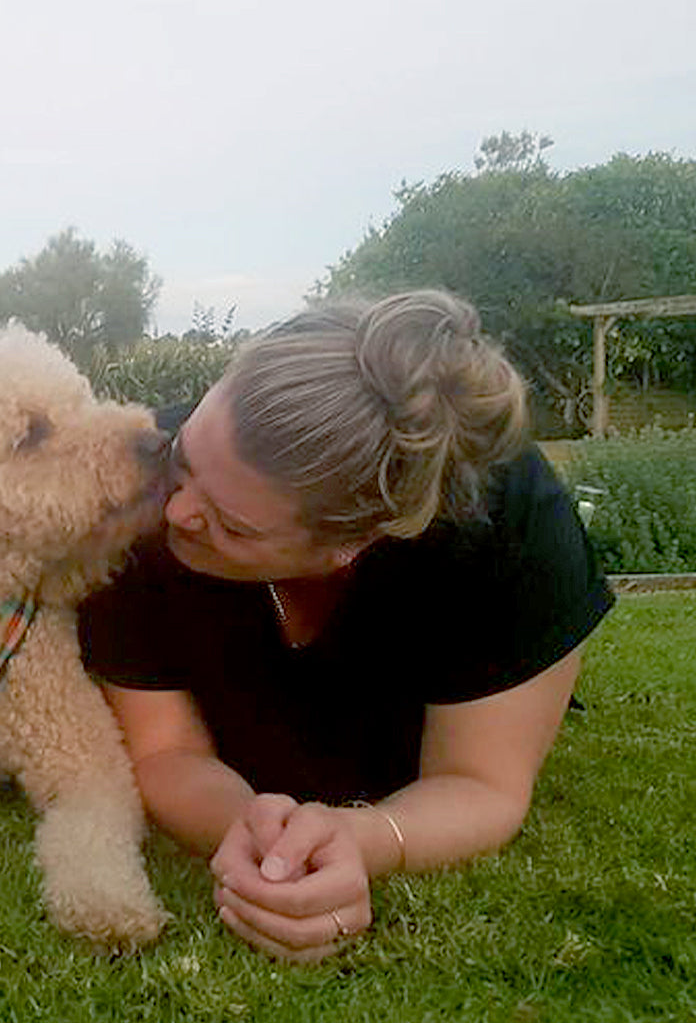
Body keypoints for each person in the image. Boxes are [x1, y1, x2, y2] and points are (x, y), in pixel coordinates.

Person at [79, 290, 614, 963]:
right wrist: (248, 837)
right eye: (184, 461)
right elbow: (162, 751)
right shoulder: (134, 488)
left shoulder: (508, 525)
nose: (176, 511)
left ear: (356, 541)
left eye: (234, 525)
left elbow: (482, 783)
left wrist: (365, 840)